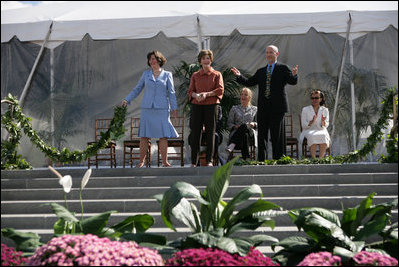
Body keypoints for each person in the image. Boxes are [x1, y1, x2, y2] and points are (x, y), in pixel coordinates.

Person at [231, 45, 298, 161]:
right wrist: (239, 76)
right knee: (262, 136)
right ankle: (262, 160)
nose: (268, 55)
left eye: (271, 52)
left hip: (277, 108)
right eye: (267, 52)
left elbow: (292, 81)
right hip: (263, 108)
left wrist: (295, 74)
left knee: (276, 135)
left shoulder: (282, 68)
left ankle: (278, 160)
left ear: (276, 54)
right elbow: (249, 82)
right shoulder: (261, 71)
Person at [121, 50, 178, 168]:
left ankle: (164, 161)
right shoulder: (145, 74)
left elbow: (171, 93)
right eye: (150, 59)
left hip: (162, 109)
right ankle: (141, 161)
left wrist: (174, 108)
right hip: (147, 108)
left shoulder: (167, 74)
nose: (152, 61)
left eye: (154, 58)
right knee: (144, 135)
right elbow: (137, 89)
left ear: (159, 60)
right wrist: (127, 99)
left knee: (163, 136)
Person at [188, 49, 224, 167]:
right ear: (200, 61)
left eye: (208, 58)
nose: (205, 60)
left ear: (211, 60)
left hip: (212, 105)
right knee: (195, 133)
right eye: (203, 58)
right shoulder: (195, 75)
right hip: (197, 106)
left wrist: (206, 94)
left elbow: (220, 90)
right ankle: (194, 162)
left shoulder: (217, 74)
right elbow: (190, 91)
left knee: (210, 133)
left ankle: (209, 161)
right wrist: (196, 95)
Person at [225, 87, 257, 160]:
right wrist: (235, 126)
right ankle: (246, 158)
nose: (243, 96)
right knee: (244, 134)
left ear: (249, 97)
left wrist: (254, 124)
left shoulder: (255, 109)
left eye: (245, 95)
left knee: (245, 126)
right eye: (242, 94)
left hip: (250, 133)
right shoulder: (234, 109)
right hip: (238, 133)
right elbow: (229, 124)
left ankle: (232, 144)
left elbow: (259, 123)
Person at [299, 90, 330, 158]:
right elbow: (303, 125)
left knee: (324, 135)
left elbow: (326, 125)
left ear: (320, 99)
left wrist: (323, 122)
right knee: (312, 136)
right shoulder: (305, 109)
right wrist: (311, 122)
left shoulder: (325, 110)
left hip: (321, 130)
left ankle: (321, 159)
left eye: (316, 98)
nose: (314, 100)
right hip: (308, 130)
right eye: (312, 98)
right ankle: (314, 159)